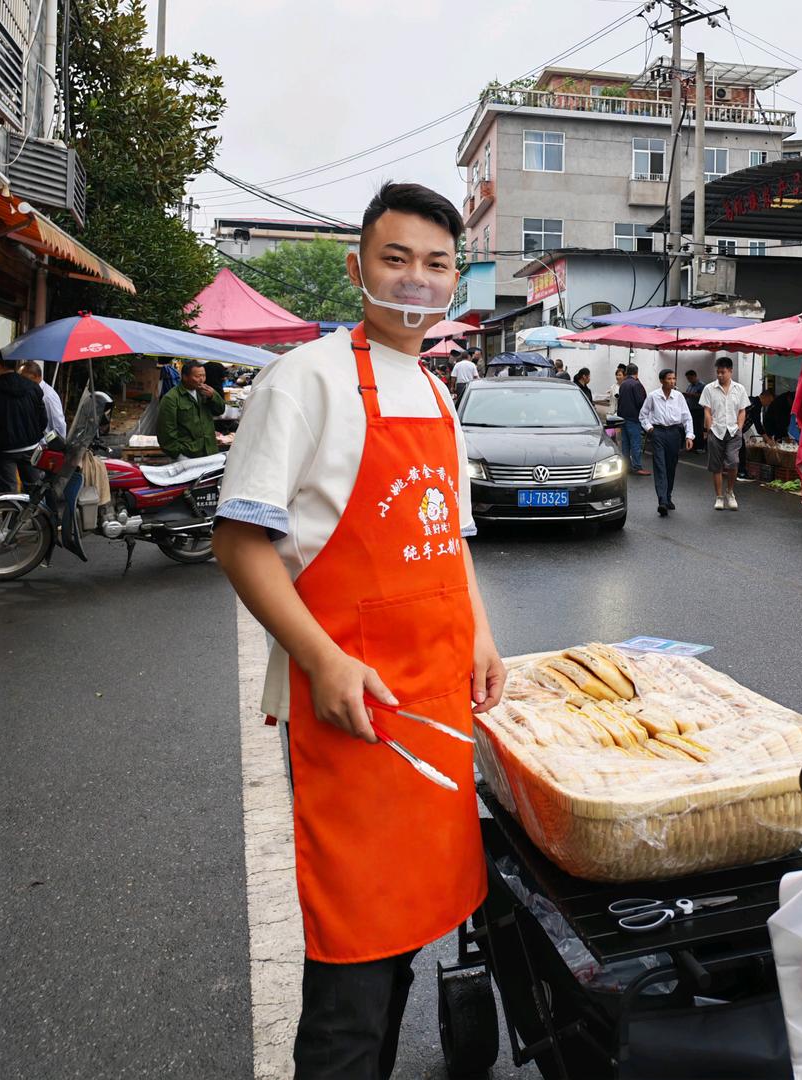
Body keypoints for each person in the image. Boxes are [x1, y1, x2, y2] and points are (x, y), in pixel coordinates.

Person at [212, 181, 505, 1080]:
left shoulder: (439, 395)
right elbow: (239, 541)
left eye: (437, 263)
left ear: (455, 280)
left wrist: (482, 636)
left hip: (434, 704)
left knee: (405, 937)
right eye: (396, 258)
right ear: (357, 268)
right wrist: (324, 661)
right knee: (353, 961)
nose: (417, 279)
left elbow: (448, 539)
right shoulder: (304, 380)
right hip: (351, 705)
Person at [639, 368, 694, 516]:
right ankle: (662, 501)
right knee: (660, 466)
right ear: (662, 381)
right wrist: (650, 429)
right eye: (669, 379)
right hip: (658, 433)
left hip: (674, 433)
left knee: (671, 466)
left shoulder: (678, 397)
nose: (672, 381)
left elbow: (687, 417)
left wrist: (689, 436)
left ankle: (668, 496)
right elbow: (643, 415)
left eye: (674, 379)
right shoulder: (653, 396)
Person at [700, 357, 749, 511]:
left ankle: (730, 492)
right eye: (718, 372)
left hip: (733, 431)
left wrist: (739, 427)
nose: (720, 375)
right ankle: (719, 496)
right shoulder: (709, 388)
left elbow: (742, 410)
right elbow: (707, 411)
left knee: (733, 462)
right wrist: (709, 429)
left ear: (730, 371)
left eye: (723, 372)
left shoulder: (739, 389)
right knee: (716, 466)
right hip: (716, 431)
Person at [157, 359, 226, 460]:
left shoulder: (204, 393)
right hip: (187, 454)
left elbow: (220, 410)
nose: (202, 379)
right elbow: (166, 432)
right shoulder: (171, 398)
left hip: (209, 451)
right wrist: (178, 454)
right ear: (185, 377)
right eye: (198, 376)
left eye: (204, 376)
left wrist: (213, 396)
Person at [0, 351, 47, 493]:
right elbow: (43, 419)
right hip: (31, 446)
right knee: (34, 489)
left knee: (8, 491)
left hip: (4, 449)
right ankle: (36, 507)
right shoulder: (33, 387)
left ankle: (11, 507)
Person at [17, 361, 66, 439]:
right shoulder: (31, 392)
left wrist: (45, 442)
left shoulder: (48, 396)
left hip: (44, 443)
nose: (19, 381)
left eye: (22, 377)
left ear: (35, 376)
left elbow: (59, 428)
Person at [617, 362, 648, 475]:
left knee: (625, 444)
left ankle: (626, 466)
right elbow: (641, 402)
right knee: (635, 443)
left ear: (626, 372)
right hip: (633, 418)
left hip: (622, 418)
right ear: (637, 372)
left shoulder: (623, 384)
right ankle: (637, 466)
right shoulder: (636, 384)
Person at [683, 369, 706, 454]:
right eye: (687, 378)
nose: (689, 380)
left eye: (690, 378)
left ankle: (700, 447)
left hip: (698, 409)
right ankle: (693, 446)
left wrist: (691, 395)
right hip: (691, 409)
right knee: (692, 428)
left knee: (699, 429)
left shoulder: (701, 385)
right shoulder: (690, 386)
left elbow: (703, 396)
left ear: (694, 376)